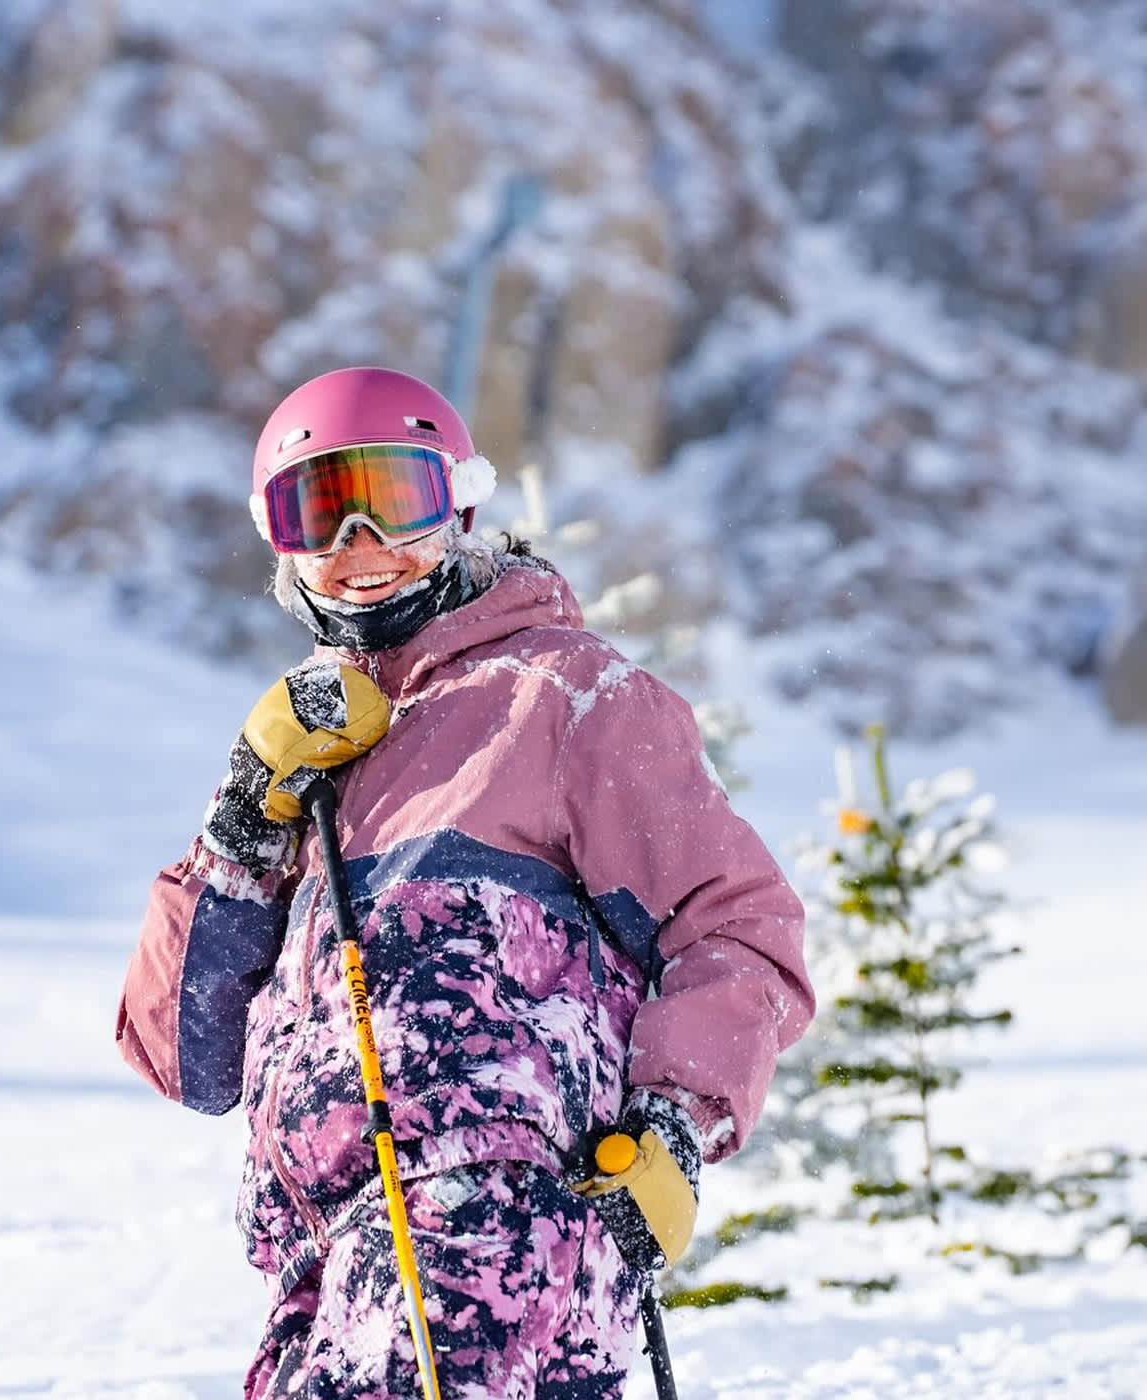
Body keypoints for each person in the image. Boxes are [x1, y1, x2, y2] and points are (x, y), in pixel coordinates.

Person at [116, 366, 813, 1400]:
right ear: (281, 543)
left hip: (497, 1220)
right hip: (321, 1257)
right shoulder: (306, 763)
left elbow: (741, 925)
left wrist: (678, 1111)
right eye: (319, 510)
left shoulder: (570, 698)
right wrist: (239, 828)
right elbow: (187, 1057)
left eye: (394, 500)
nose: (359, 544)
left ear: (460, 504)